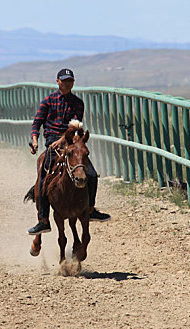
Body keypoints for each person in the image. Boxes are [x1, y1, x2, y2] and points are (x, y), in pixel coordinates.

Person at [27, 68, 111, 235]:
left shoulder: (78, 103)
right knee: (44, 178)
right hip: (52, 142)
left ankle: (90, 209)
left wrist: (64, 139)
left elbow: (75, 125)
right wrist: (35, 140)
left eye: (70, 81)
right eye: (64, 80)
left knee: (92, 174)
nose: (67, 83)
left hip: (72, 141)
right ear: (57, 81)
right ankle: (43, 220)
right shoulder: (48, 101)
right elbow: (37, 122)